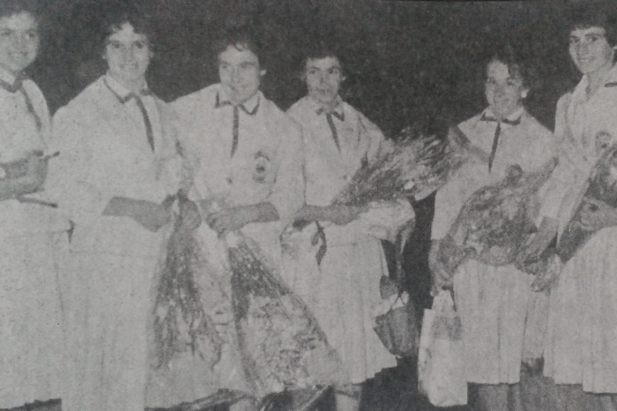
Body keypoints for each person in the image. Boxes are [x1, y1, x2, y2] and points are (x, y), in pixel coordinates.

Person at [145, 26, 304, 411]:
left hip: (256, 253)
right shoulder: (183, 110)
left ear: (263, 70)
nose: (235, 77)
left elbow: (291, 196)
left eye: (245, 66)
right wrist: (184, 203)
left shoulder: (283, 126)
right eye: (225, 66)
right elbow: (162, 173)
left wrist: (246, 213)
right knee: (198, 361)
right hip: (196, 252)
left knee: (252, 366)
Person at [527, 4, 617, 409]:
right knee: (586, 372)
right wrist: (546, 231)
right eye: (574, 41)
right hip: (576, 242)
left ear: (615, 43)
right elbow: (564, 175)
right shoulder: (567, 103)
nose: (582, 49)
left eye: (593, 38)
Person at [46, 10, 185, 411]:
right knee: (101, 371)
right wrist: (131, 208)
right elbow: (61, 186)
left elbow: (172, 172)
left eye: (138, 45)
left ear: (152, 51)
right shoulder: (80, 110)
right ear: (102, 52)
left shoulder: (164, 110)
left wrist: (181, 200)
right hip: (105, 257)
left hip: (154, 256)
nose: (128, 56)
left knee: (144, 370)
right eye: (116, 46)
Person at [429, 47, 557, 411]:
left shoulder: (544, 138)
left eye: (509, 82)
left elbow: (550, 207)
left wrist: (531, 248)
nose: (499, 91)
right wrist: (436, 253)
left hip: (517, 267)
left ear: (525, 88)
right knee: (483, 368)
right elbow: (447, 199)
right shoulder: (463, 133)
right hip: (471, 267)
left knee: (521, 365)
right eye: (491, 81)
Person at [286, 47, 412, 411]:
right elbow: (279, 199)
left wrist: (399, 216)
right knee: (309, 362)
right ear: (302, 75)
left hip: (359, 256)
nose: (323, 81)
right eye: (314, 71)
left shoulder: (361, 123)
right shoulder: (287, 123)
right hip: (315, 256)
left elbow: (395, 182)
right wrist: (327, 212)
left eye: (332, 71)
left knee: (354, 363)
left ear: (344, 76)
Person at [0, 1, 69, 410]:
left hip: (40, 233)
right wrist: (14, 183)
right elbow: (23, 177)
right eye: (6, 33)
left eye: (29, 34)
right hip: (6, 235)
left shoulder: (32, 91)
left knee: (40, 361)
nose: (19, 44)